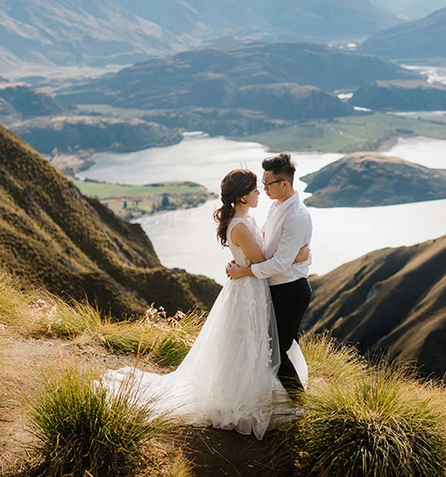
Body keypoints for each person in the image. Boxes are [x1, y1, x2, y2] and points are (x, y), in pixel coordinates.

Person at [100, 168, 308, 440]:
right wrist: (295, 257)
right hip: (248, 291)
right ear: (243, 196)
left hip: (253, 290)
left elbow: (259, 255)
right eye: (255, 189)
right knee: (249, 343)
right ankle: (246, 398)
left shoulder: (245, 219)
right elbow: (260, 261)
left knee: (252, 344)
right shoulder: (241, 226)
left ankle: (254, 393)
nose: (260, 193)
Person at [227, 152, 313, 398]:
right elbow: (263, 240)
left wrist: (242, 270)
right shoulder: (277, 207)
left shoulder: (296, 216)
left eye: (267, 183)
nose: (263, 189)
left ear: (284, 184)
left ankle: (299, 404)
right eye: (261, 184)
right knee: (274, 346)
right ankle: (279, 397)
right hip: (274, 289)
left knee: (277, 350)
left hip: (290, 290)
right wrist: (241, 255)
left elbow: (277, 265)